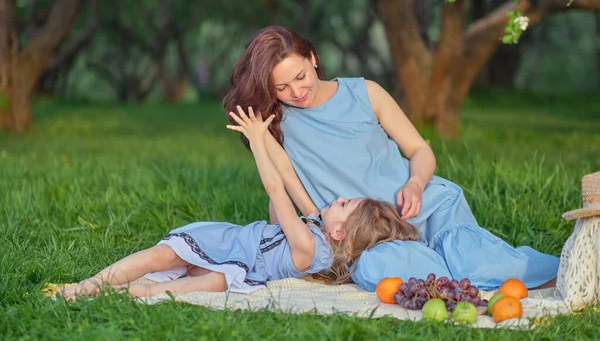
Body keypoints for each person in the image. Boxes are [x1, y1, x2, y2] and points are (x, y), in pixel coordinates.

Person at [223, 26, 560, 291]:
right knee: (388, 271)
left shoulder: (364, 92)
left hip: (426, 208)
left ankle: (569, 272)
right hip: (368, 236)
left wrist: (415, 184)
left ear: (313, 58)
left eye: (300, 77)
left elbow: (420, 150)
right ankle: (453, 276)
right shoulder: (276, 122)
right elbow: (282, 188)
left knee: (472, 257)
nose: (296, 92)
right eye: (281, 87)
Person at [59, 107, 419, 300]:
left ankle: (139, 292)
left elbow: (278, 191)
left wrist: (258, 142)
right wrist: (267, 141)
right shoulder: (316, 234)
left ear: (339, 231)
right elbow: (282, 194)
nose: (337, 198)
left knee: (217, 282)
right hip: (227, 243)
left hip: (238, 267)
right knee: (163, 255)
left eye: (344, 203)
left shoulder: (311, 247)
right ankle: (89, 285)